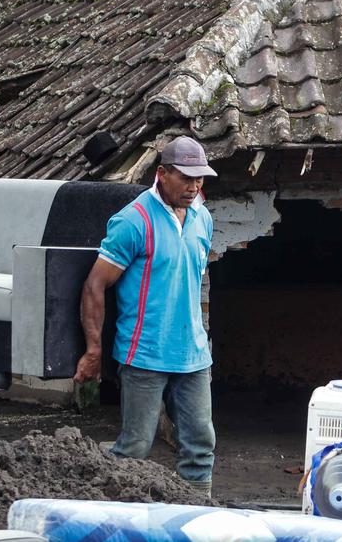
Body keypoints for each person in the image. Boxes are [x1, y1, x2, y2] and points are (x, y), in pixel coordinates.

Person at [74, 136, 217, 495]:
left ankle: (196, 511)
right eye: (185, 178)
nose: (194, 186)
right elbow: (94, 285)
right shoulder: (133, 221)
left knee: (201, 445)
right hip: (145, 354)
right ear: (162, 174)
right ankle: (105, 505)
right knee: (136, 447)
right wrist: (93, 351)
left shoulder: (203, 218)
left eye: (199, 178)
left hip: (193, 354)